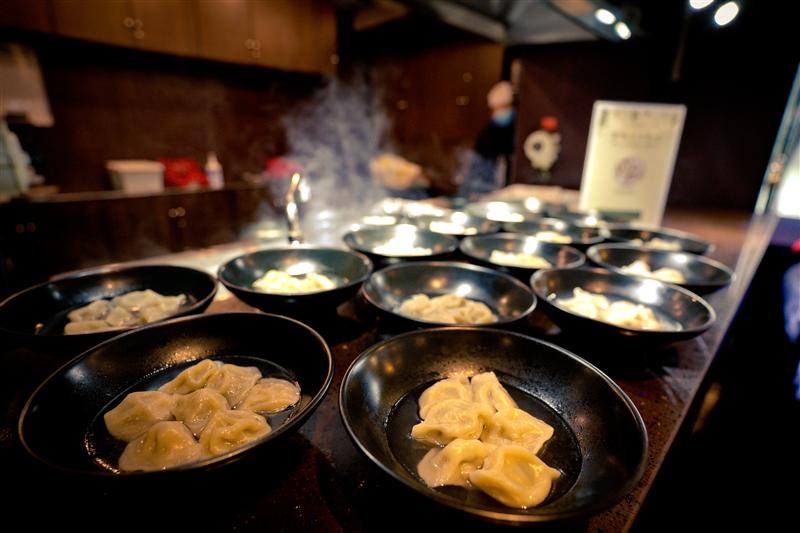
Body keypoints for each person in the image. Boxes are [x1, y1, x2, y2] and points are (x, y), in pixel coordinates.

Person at [460, 81, 516, 198]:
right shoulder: (488, 134)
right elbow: (476, 175)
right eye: (498, 108)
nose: (503, 112)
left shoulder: (517, 130)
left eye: (506, 107)